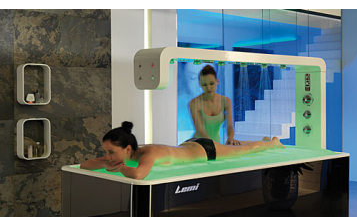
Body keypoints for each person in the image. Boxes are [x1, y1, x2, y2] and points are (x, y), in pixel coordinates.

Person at [80, 121, 284, 181]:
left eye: (111, 152)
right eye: (106, 152)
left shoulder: (147, 155)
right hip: (190, 144)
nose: (108, 156)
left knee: (245, 151)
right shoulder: (124, 154)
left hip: (205, 150)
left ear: (127, 149)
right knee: (236, 148)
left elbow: (139, 175)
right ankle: (263, 141)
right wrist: (106, 163)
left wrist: (118, 168)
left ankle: (273, 143)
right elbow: (85, 164)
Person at [189, 64, 240, 145]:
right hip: (198, 144)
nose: (208, 88)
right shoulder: (194, 103)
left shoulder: (226, 101)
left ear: (217, 81)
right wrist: (214, 146)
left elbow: (230, 126)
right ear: (200, 85)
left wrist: (230, 138)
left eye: (211, 83)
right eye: (204, 85)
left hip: (216, 143)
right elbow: (200, 130)